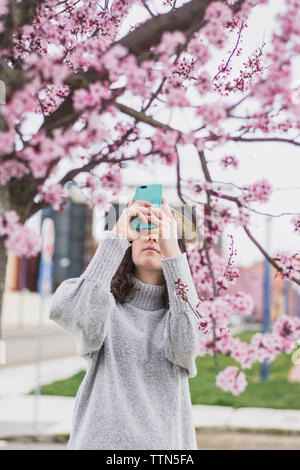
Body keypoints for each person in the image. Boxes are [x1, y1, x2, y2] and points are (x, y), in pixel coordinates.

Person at [48, 195, 202, 450]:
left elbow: (185, 347)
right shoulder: (104, 305)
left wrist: (172, 253)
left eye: (161, 233)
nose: (152, 237)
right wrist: (116, 237)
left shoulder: (184, 313)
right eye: (143, 229)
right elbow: (68, 310)